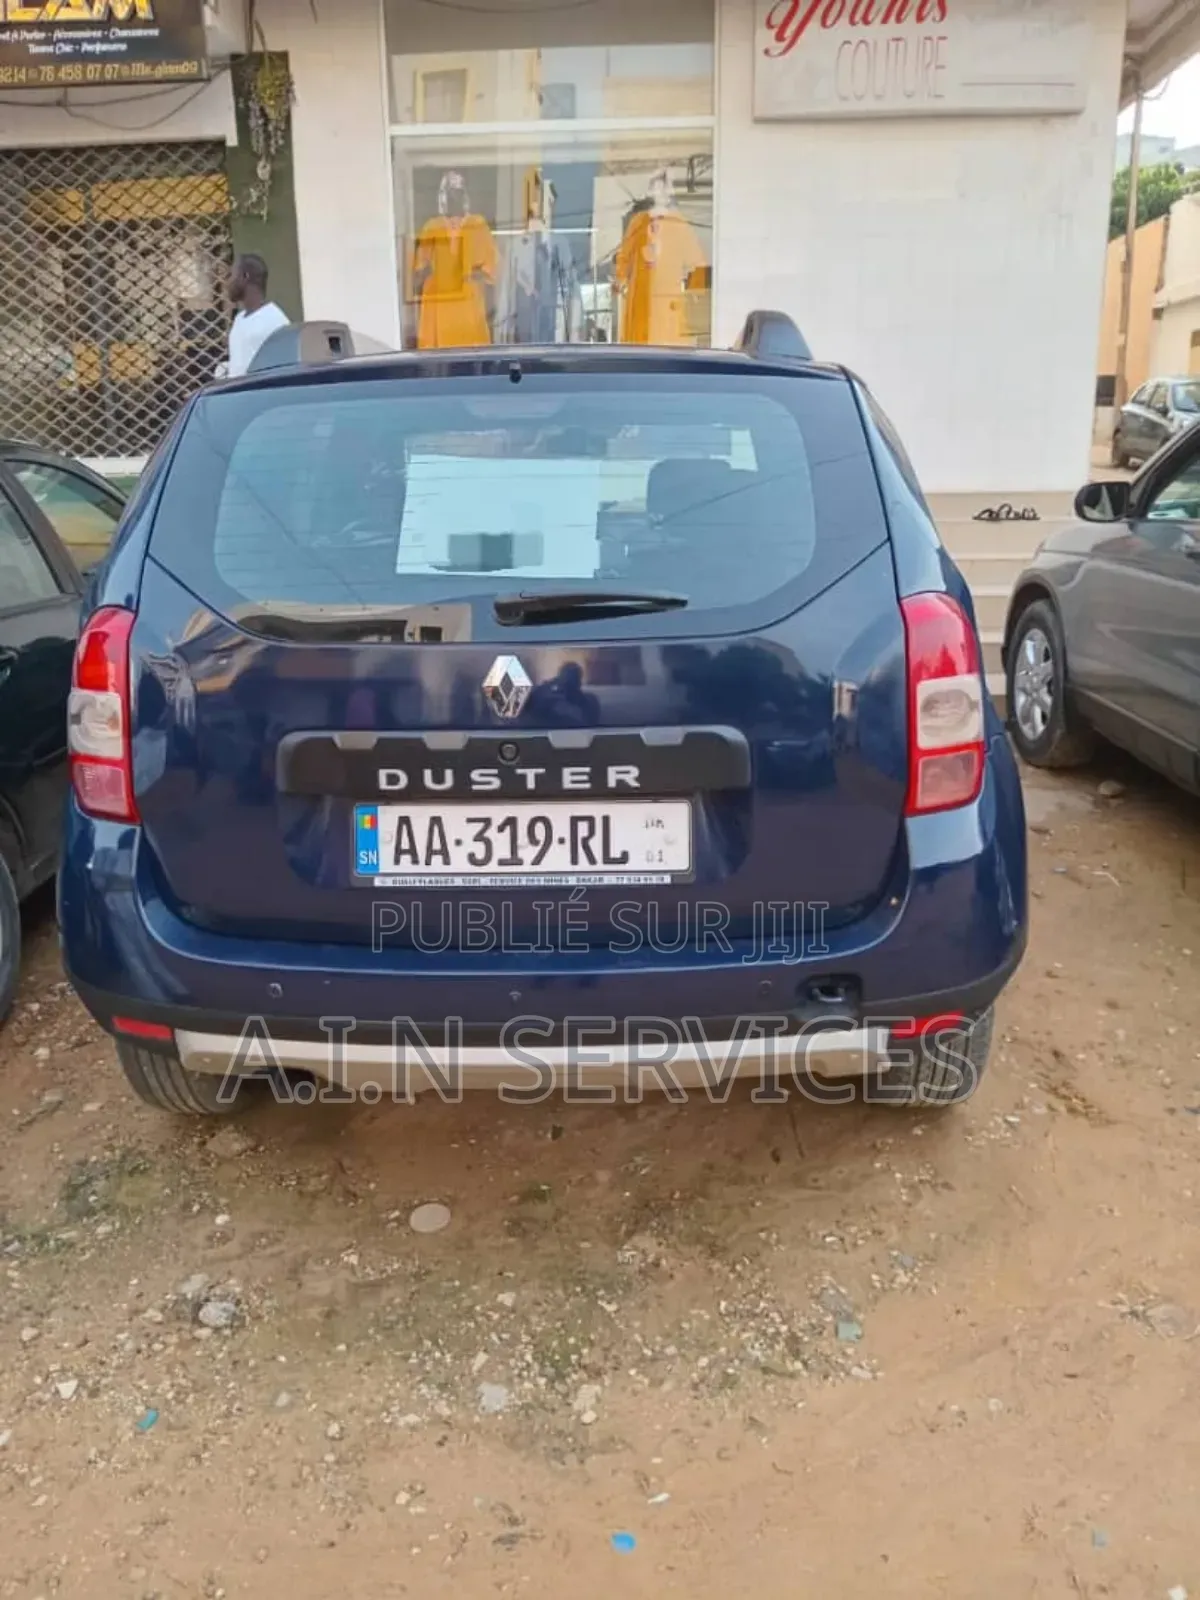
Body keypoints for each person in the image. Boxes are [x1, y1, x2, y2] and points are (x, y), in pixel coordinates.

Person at [223, 254, 289, 377]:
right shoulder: (240, 318)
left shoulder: (273, 320)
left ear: (245, 277)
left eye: (232, 275)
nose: (228, 282)